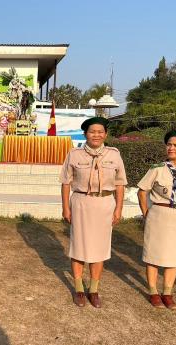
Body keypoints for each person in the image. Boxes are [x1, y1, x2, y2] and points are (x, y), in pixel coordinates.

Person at [60, 117, 127, 308]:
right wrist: (66, 207)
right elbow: (66, 182)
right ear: (85, 134)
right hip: (81, 202)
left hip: (105, 203)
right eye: (92, 131)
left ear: (105, 134)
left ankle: (94, 290)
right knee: (79, 247)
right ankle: (79, 288)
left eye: (100, 131)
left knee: (100, 249)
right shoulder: (74, 154)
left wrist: (118, 208)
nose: (96, 135)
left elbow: (120, 183)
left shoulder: (114, 155)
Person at [138, 130, 176, 310]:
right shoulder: (156, 169)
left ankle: (167, 292)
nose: (171, 148)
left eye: (175, 145)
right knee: (153, 254)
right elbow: (142, 191)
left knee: (175, 255)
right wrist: (146, 211)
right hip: (158, 214)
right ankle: (153, 291)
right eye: (169, 145)